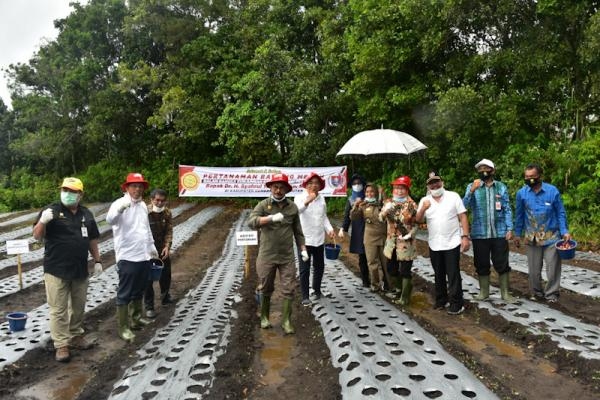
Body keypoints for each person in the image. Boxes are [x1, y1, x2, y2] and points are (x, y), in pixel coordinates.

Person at [33, 177, 102, 362]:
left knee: (78, 307)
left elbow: (92, 239)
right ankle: (61, 345)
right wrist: (43, 222)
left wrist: (97, 260)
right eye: (65, 190)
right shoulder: (51, 210)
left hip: (80, 268)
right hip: (56, 269)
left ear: (80, 194)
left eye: (72, 191)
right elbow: (37, 237)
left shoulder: (86, 214)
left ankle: (76, 336)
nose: (68, 194)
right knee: (58, 309)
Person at [248, 173, 307, 334]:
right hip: (267, 255)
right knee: (265, 286)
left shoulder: (292, 208)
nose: (278, 190)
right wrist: (270, 219)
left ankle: (286, 321)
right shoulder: (263, 205)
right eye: (275, 187)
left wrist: (303, 248)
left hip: (286, 256)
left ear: (287, 189)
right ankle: (264, 317)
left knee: (289, 287)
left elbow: (298, 231)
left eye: (282, 187)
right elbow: (251, 222)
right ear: (270, 188)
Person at [106, 172, 158, 342]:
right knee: (125, 292)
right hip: (127, 256)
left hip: (143, 255)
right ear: (127, 187)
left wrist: (151, 247)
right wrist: (120, 210)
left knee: (139, 288)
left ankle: (136, 319)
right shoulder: (119, 204)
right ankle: (123, 327)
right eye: (134, 186)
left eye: (140, 186)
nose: (137, 189)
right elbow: (110, 220)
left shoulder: (143, 205)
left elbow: (146, 228)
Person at [416, 171, 471, 315]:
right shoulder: (425, 201)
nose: (435, 185)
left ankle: (457, 303)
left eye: (436, 182)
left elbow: (463, 217)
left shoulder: (453, 197)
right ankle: (441, 300)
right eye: (431, 183)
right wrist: (423, 208)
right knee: (438, 273)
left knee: (453, 273)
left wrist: (465, 236)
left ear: (442, 183)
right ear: (428, 187)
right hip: (434, 242)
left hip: (452, 241)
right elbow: (418, 220)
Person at [514, 163, 571, 303]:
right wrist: (517, 234)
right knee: (533, 271)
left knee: (552, 269)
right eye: (527, 177)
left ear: (539, 176)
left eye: (532, 176)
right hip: (531, 237)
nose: (529, 179)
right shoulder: (522, 193)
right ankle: (536, 292)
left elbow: (560, 212)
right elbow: (519, 215)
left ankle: (551, 293)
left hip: (551, 236)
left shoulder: (552, 191)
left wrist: (564, 231)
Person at [463, 159, 515, 302]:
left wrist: (509, 228)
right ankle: (484, 292)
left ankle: (505, 293)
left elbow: (507, 209)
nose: (483, 172)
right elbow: (463, 207)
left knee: (502, 262)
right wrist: (471, 191)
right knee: (481, 263)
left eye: (486, 169)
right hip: (480, 233)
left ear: (492, 171)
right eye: (480, 169)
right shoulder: (472, 187)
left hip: (499, 232)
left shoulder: (501, 187)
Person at [294, 172, 335, 306]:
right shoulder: (299, 198)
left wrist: (329, 229)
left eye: (316, 183)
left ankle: (317, 290)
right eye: (310, 183)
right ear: (306, 185)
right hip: (304, 240)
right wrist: (308, 200)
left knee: (319, 266)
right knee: (304, 268)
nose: (313, 185)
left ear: (320, 186)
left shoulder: (322, 199)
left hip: (319, 238)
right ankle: (305, 296)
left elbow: (323, 217)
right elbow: (296, 212)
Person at [380, 176, 418, 306]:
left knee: (405, 270)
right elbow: (380, 218)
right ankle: (399, 289)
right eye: (396, 188)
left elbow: (417, 224)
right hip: (391, 242)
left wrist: (410, 234)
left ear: (407, 190)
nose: (399, 191)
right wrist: (384, 212)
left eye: (402, 188)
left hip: (406, 244)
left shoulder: (412, 205)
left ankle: (405, 296)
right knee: (391, 268)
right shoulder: (389, 202)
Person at [350, 183, 388, 294]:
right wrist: (355, 206)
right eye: (367, 192)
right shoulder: (363, 204)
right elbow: (354, 217)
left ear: (376, 192)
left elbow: (390, 209)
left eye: (371, 191)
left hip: (383, 236)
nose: (369, 194)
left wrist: (383, 195)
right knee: (372, 262)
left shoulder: (381, 203)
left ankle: (387, 284)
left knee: (385, 262)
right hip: (369, 237)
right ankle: (375, 284)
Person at [143, 188, 174, 318]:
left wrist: (167, 246)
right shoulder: (144, 212)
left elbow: (169, 231)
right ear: (151, 200)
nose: (160, 203)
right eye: (157, 200)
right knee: (148, 279)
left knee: (166, 274)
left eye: (162, 201)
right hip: (147, 250)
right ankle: (149, 306)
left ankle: (165, 297)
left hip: (162, 248)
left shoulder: (167, 213)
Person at [339, 174, 370, 288]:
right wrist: (343, 228)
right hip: (358, 230)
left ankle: (380, 281)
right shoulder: (350, 199)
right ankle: (366, 280)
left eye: (359, 183)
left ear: (363, 185)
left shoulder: (369, 196)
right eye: (354, 184)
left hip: (370, 229)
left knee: (373, 257)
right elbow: (347, 216)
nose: (357, 186)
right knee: (362, 257)